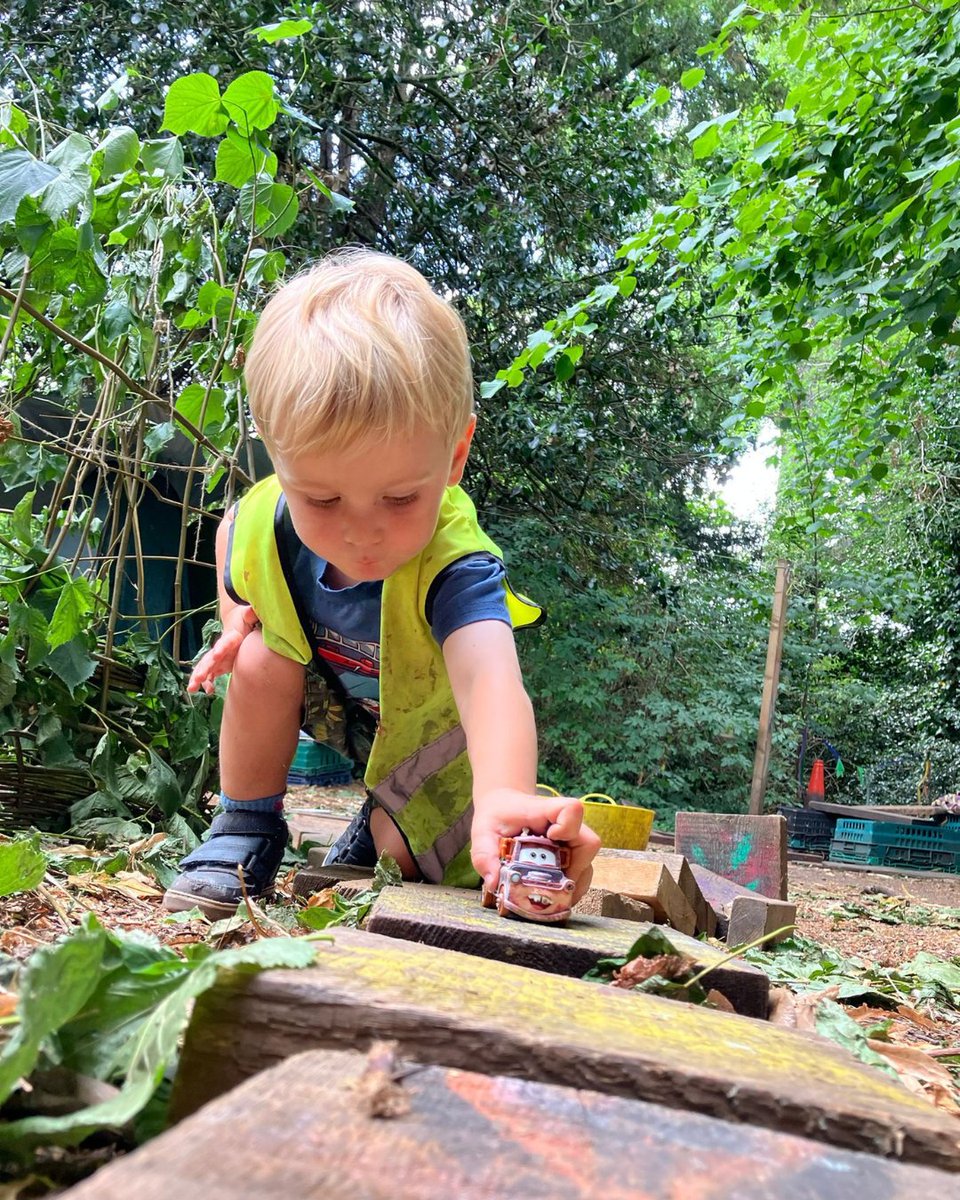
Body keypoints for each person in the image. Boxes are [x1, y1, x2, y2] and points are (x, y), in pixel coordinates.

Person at [162, 250, 599, 919]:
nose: (360, 534)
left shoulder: (457, 565)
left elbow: (490, 681)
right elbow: (234, 529)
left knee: (414, 858)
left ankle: (382, 821)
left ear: (453, 459)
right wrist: (235, 620)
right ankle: (245, 828)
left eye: (398, 499)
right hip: (333, 699)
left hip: (426, 738)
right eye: (324, 501)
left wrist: (505, 796)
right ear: (280, 466)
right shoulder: (270, 517)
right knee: (258, 657)